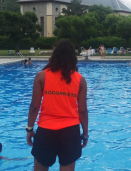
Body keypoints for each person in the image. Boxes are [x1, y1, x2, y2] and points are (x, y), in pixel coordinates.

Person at [26, 40, 88, 171]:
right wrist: (85, 134)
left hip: (46, 131)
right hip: (70, 132)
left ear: (54, 55)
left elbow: (34, 107)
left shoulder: (41, 76)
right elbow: (82, 111)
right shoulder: (80, 80)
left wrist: (29, 129)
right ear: (73, 57)